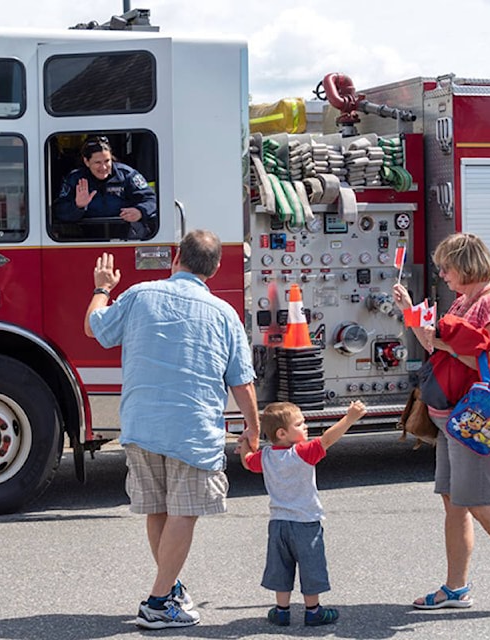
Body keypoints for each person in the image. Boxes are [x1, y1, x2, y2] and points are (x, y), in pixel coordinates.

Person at [83, 229, 260, 629]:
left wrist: (101, 288)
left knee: (158, 508)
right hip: (192, 429)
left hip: (141, 424)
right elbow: (241, 381)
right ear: (213, 269)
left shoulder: (141, 294)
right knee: (185, 512)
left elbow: (95, 328)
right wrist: (253, 427)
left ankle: (171, 586)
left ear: (175, 257)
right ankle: (159, 602)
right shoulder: (223, 313)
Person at [392, 232, 490, 615]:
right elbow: (438, 346)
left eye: (446, 266)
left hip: (476, 417)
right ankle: (456, 587)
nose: (442, 274)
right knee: (455, 504)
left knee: (482, 504)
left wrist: (444, 344)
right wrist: (412, 312)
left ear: (464, 265)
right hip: (456, 416)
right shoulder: (468, 300)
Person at [238, 400, 367, 627]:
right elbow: (327, 439)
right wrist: (350, 418)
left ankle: (281, 611)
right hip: (306, 523)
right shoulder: (302, 453)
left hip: (278, 524)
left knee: (281, 566)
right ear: (282, 433)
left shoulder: (266, 457)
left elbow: (248, 463)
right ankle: (313, 611)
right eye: (299, 424)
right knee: (311, 566)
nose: (305, 426)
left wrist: (245, 443)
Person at [54, 136, 157, 240]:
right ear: (86, 162)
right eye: (97, 162)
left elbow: (151, 200)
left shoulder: (127, 175)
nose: (103, 167)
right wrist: (78, 206)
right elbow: (59, 212)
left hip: (125, 238)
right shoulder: (75, 179)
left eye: (107, 161)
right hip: (86, 240)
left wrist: (140, 211)